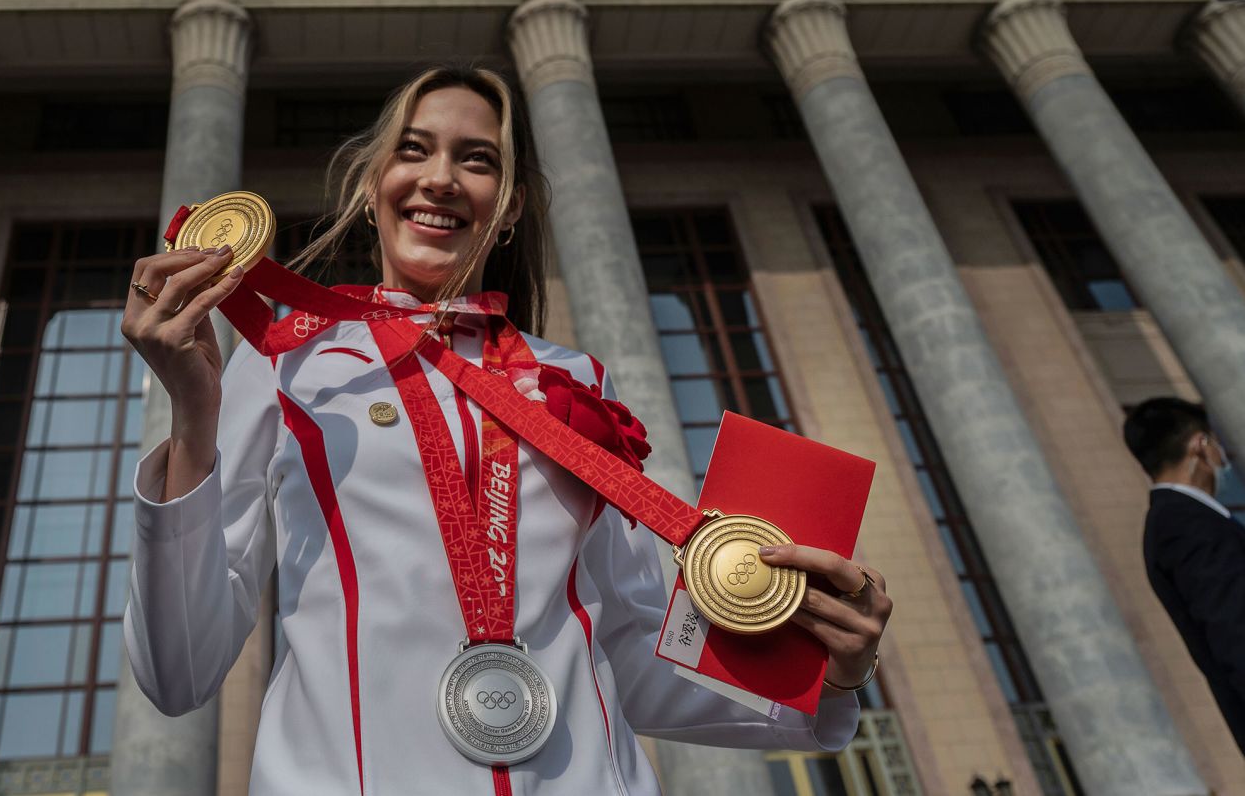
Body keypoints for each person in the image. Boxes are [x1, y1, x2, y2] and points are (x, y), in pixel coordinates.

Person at [120, 65, 893, 794]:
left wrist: (832, 668)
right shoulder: (288, 363)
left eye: (477, 160)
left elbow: (637, 650)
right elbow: (178, 671)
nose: (440, 178)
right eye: (413, 151)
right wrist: (194, 419)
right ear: (370, 187)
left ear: (512, 204)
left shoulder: (577, 383)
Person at [1124, 396, 1245, 754]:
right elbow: (1235, 631)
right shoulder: (1185, 525)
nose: (1223, 457)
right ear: (1200, 444)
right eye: (1216, 443)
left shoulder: (1183, 521)